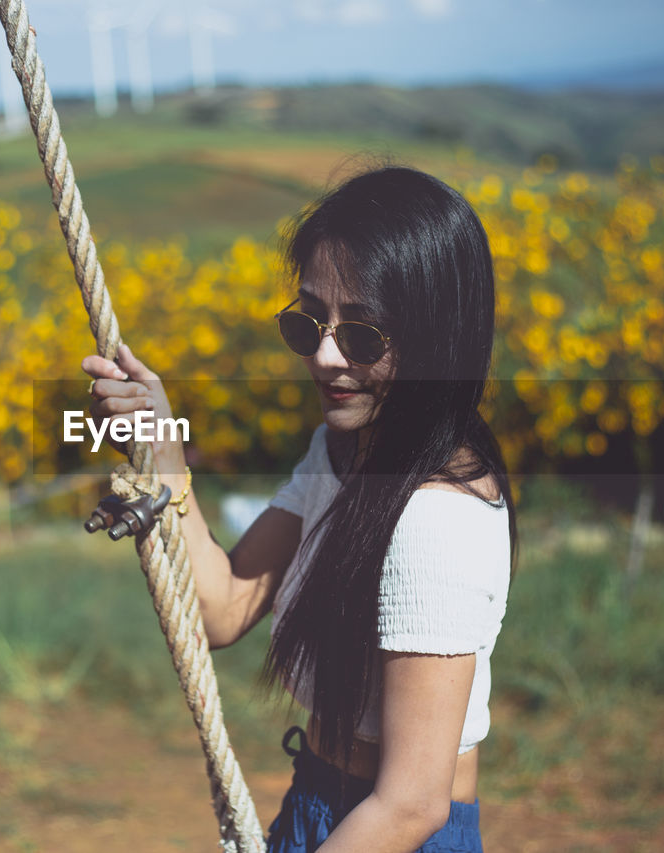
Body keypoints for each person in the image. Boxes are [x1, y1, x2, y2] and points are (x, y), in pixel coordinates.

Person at [81, 166, 517, 853]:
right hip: (318, 801)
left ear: (438, 339)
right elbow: (224, 608)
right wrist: (166, 457)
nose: (323, 355)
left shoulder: (438, 520)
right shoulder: (339, 452)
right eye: (308, 320)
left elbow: (412, 804)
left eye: (365, 335)